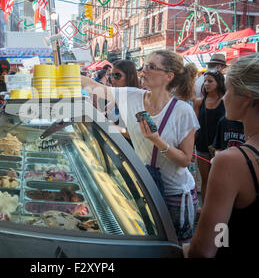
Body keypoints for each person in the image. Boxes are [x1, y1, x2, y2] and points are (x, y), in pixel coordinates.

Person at [184, 53, 259, 258]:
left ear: (246, 98)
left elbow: (206, 249)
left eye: (229, 90)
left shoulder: (232, 161)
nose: (225, 96)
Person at [82, 50, 200, 244]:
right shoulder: (132, 96)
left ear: (169, 76)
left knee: (173, 249)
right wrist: (61, 71)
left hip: (175, 195)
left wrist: (157, 140)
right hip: (145, 187)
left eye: (151, 67)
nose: (143, 71)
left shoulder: (183, 111)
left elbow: (186, 159)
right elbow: (94, 87)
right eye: (144, 65)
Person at [193, 70, 226, 202]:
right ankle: (206, 206)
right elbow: (194, 127)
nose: (206, 84)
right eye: (205, 81)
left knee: (218, 180)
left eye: (210, 81)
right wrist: (190, 147)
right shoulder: (199, 102)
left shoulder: (226, 101)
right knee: (206, 179)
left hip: (221, 148)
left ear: (219, 83)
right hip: (202, 145)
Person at [106, 60, 139, 141]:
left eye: (117, 76)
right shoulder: (120, 97)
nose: (112, 80)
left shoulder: (138, 100)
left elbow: (139, 135)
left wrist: (116, 128)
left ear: (130, 77)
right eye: (111, 76)